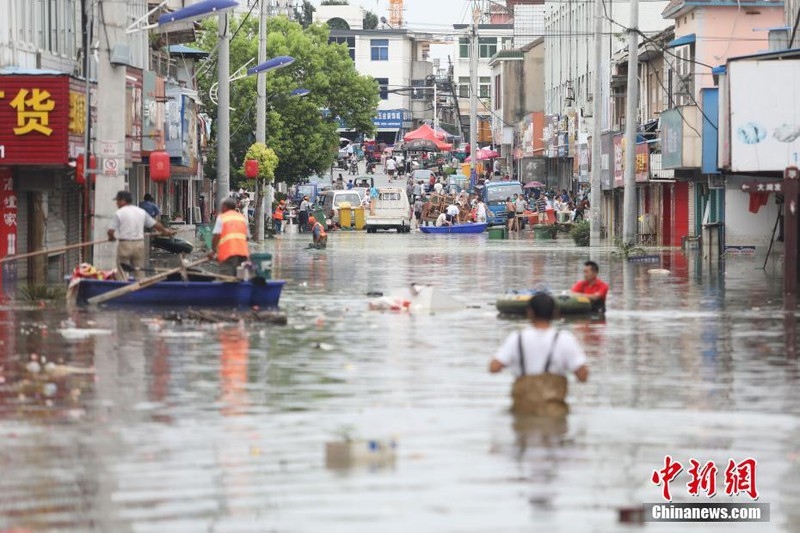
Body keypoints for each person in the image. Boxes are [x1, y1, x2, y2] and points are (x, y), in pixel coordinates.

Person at [489, 293, 589, 416]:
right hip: (554, 415)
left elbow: (494, 368)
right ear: (555, 314)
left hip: (523, 413)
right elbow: (583, 376)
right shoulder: (565, 339)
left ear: (529, 313)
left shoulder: (516, 338)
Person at [108, 191, 175, 281]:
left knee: (121, 269)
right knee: (139, 269)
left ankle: (123, 285)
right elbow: (155, 224)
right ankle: (140, 286)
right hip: (139, 244)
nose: (116, 203)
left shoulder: (119, 213)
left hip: (125, 245)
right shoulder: (140, 212)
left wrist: (111, 238)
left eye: (118, 201)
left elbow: (111, 231)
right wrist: (165, 231)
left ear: (123, 201)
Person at [209, 197, 250, 276]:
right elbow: (247, 237)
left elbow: (216, 236)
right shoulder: (242, 218)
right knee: (240, 277)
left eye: (221, 206)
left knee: (226, 278)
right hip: (242, 254)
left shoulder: (222, 217)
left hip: (228, 253)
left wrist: (213, 251)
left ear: (225, 207)